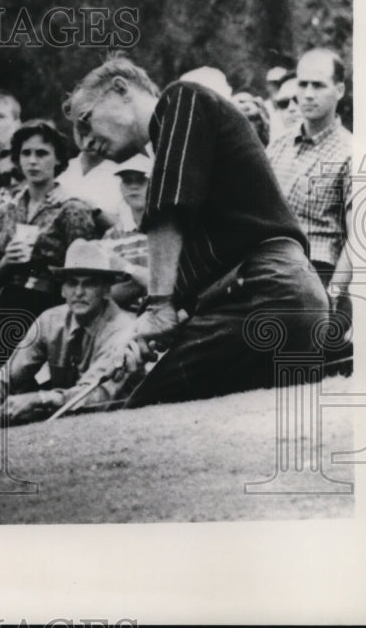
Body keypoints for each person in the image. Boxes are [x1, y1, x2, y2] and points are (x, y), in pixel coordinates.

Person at [65, 54, 328, 406]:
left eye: (86, 122)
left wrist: (159, 308)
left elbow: (168, 209)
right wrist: (153, 328)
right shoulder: (177, 148)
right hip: (278, 298)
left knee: (149, 411)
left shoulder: (182, 99)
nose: (85, 143)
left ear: (120, 89)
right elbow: (205, 267)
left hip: (267, 292)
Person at [0, 239, 136, 432]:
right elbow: (6, 379)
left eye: (89, 284)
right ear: (62, 289)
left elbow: (97, 395)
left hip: (113, 421)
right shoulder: (50, 320)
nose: (79, 292)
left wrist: (40, 399)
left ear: (107, 290)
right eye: (72, 283)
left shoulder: (121, 328)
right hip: (65, 417)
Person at [0, 120, 98, 366]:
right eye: (26, 153)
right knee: (1, 380)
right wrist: (6, 262)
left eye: (42, 153)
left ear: (58, 160)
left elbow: (85, 271)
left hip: (51, 307)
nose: (32, 161)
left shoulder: (72, 208)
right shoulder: (6, 212)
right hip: (8, 307)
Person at [267, 48, 352, 293]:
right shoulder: (278, 146)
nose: (308, 94)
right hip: (264, 269)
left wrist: (333, 295)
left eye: (319, 85)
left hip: (315, 276)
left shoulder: (351, 153)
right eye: (302, 85)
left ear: (339, 90)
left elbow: (359, 238)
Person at [102, 153, 152, 311]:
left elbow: (172, 287)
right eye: (127, 180)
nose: (133, 186)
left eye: (141, 180)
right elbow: (105, 296)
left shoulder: (170, 230)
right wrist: (144, 280)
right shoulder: (111, 237)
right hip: (124, 319)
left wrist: (127, 268)